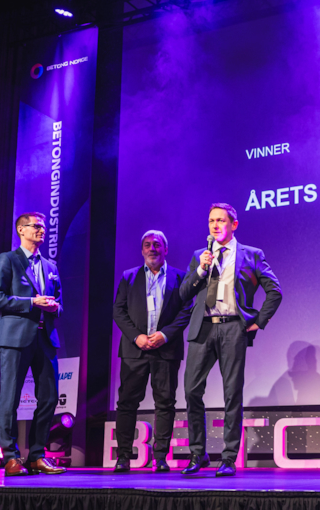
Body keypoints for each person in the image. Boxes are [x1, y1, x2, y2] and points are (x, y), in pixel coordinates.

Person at [179, 203, 282, 477]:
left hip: (233, 328)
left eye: (221, 220)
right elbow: (183, 294)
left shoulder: (252, 254)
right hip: (203, 328)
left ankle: (228, 457)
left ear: (234, 224)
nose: (215, 225)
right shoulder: (200, 256)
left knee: (231, 393)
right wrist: (201, 271)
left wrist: (258, 321)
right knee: (191, 390)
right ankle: (198, 453)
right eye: (211, 220)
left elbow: (275, 291)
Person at [0, 211, 67, 477]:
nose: (41, 230)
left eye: (43, 227)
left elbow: (60, 304)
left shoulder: (51, 267)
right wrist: (32, 302)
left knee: (50, 398)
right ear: (21, 230)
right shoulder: (8, 260)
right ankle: (11, 457)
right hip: (15, 339)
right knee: (10, 398)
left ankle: (36, 455)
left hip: (45, 339)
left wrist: (54, 307)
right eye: (36, 226)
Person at [112, 230, 195, 473]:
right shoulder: (129, 276)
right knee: (127, 403)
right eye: (147, 245)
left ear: (165, 249)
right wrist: (136, 336)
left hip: (166, 350)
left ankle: (160, 458)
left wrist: (165, 335)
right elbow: (118, 311)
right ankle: (123, 457)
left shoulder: (181, 277)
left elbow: (186, 311)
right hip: (134, 350)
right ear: (142, 250)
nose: (152, 249)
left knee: (165, 403)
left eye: (157, 245)